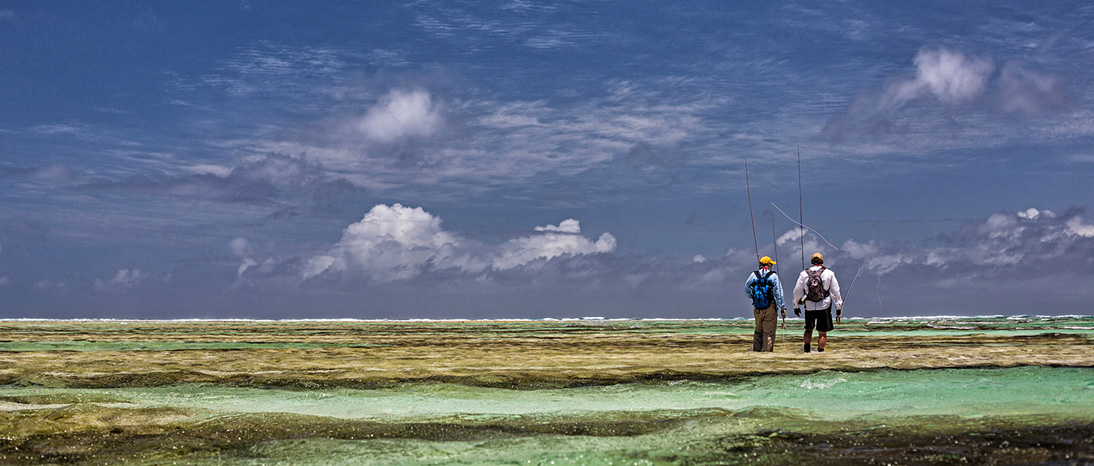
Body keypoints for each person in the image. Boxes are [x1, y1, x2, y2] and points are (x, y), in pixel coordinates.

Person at [793, 253, 842, 353]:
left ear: (811, 262)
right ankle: (820, 353)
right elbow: (835, 292)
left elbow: (797, 291)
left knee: (808, 329)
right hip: (824, 305)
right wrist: (838, 307)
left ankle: (806, 351)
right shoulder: (829, 273)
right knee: (822, 332)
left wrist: (796, 305)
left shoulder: (804, 274)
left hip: (809, 306)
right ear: (822, 261)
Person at [745, 256, 787, 352]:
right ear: (768, 265)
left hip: (757, 307)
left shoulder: (753, 275)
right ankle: (766, 355)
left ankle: (756, 352)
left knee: (758, 331)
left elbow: (746, 290)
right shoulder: (773, 276)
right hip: (770, 307)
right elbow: (778, 293)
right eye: (771, 264)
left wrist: (754, 298)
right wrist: (782, 307)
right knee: (768, 333)